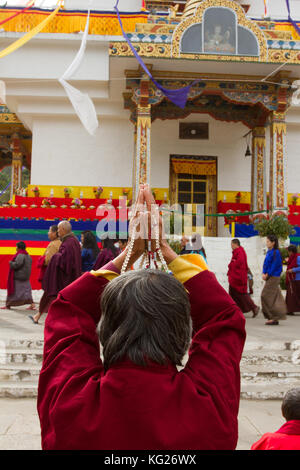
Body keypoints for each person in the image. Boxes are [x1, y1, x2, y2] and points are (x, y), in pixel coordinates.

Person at [37, 185, 246, 450]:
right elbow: (224, 316)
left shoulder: (70, 403)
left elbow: (67, 308)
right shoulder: (207, 408)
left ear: (105, 330)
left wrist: (128, 254)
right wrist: (166, 251)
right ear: (183, 335)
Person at [37, 221, 82, 314]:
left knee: (54, 296)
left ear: (63, 230)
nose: (58, 231)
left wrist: (55, 256)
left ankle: (42, 315)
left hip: (65, 276)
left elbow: (65, 261)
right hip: (72, 274)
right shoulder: (73, 241)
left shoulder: (68, 243)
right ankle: (39, 315)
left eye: (58, 229)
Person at [29, 226, 62, 325]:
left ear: (55, 233)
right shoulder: (61, 243)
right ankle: (39, 316)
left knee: (48, 295)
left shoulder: (53, 244)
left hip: (51, 274)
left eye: (49, 231)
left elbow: (48, 260)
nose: (48, 233)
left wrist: (41, 259)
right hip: (58, 275)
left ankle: (39, 316)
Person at [227, 239, 259, 318]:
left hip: (238, 277)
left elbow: (239, 264)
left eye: (232, 244)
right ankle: (235, 311)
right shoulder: (238, 252)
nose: (231, 246)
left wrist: (232, 264)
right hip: (234, 277)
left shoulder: (240, 252)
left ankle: (254, 307)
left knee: (242, 295)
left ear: (235, 244)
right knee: (233, 295)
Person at [261, 234, 287, 325]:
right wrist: (263, 273)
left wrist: (267, 274)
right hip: (268, 276)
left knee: (265, 295)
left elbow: (275, 265)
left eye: (268, 241)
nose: (267, 243)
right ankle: (276, 316)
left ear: (273, 243)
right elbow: (266, 264)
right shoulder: (269, 252)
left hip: (274, 276)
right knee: (275, 297)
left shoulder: (276, 252)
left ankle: (273, 317)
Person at [1, 241, 35, 310]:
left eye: (16, 246)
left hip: (18, 276)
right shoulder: (28, 255)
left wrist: (11, 263)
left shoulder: (20, 255)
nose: (16, 248)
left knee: (13, 291)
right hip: (26, 277)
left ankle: (8, 305)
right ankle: (32, 304)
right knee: (27, 291)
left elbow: (17, 265)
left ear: (19, 248)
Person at [285, 245, 300, 315]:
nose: (288, 253)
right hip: (292, 279)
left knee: (296, 295)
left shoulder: (298, 257)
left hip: (297, 279)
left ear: (291, 251)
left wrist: (293, 270)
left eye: (288, 251)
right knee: (291, 295)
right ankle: (290, 309)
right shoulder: (292, 257)